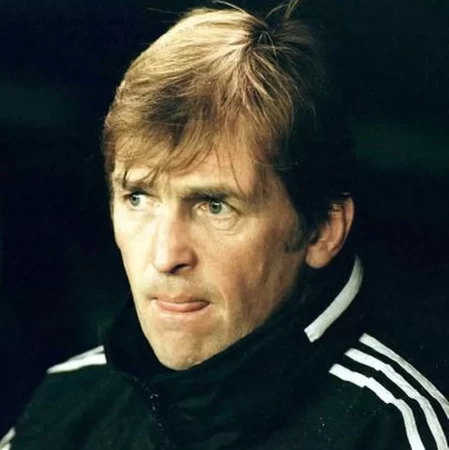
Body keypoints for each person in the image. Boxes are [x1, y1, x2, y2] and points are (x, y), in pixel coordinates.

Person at [3, 1, 448, 449]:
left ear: (320, 231)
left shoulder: (392, 431)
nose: (165, 256)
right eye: (138, 198)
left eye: (214, 206)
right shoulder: (65, 408)